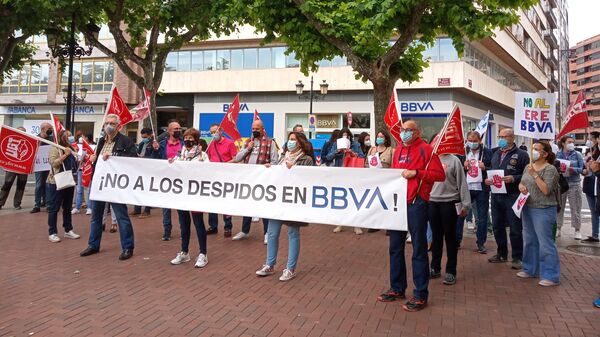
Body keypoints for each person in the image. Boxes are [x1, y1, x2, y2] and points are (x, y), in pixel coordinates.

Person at [376, 120, 445, 312]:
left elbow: (439, 175)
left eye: (408, 130)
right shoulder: (397, 151)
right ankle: (397, 288)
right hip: (398, 204)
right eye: (403, 130)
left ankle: (420, 294)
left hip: (417, 203)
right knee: (395, 247)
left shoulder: (426, 150)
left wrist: (417, 173)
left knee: (419, 249)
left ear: (417, 131)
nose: (405, 133)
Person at [255, 131, 314, 282]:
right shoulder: (282, 157)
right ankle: (270, 264)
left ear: (300, 143)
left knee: (293, 234)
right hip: (278, 200)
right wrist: (270, 168)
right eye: (289, 139)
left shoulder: (306, 159)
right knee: (272, 233)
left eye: (293, 139)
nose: (290, 142)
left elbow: (307, 178)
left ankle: (290, 268)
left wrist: (293, 170)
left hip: (294, 202)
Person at [80, 113, 137, 261]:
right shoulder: (101, 142)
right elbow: (97, 161)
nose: (109, 126)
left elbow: (134, 160)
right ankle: (93, 245)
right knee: (96, 216)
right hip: (100, 183)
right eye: (106, 123)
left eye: (112, 123)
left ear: (119, 126)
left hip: (115, 184)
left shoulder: (126, 141)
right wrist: (94, 159)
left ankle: (127, 247)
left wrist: (113, 157)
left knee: (121, 216)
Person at [518, 141, 561, 286]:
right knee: (529, 240)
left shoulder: (550, 169)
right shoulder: (528, 166)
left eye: (537, 149)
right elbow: (522, 182)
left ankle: (551, 275)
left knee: (545, 243)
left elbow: (546, 190)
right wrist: (521, 187)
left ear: (545, 154)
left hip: (543, 208)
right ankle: (530, 269)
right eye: (533, 148)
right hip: (527, 207)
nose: (533, 151)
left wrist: (535, 175)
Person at [485, 128, 528, 269]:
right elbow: (491, 169)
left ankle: (517, 257)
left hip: (512, 195)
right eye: (500, 136)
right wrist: (487, 179)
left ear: (512, 137)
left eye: (504, 136)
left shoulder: (521, 155)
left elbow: (527, 175)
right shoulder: (495, 153)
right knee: (497, 226)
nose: (501, 139)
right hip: (496, 194)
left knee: (515, 228)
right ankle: (501, 253)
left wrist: (514, 178)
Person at [429, 148, 471, 286]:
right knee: (436, 237)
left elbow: (462, 182)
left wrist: (465, 204)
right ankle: (435, 267)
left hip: (450, 202)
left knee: (450, 237)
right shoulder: (431, 158)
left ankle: (451, 271)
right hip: (433, 202)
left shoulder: (454, 160)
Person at [169, 128, 209, 268]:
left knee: (198, 223)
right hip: (182, 195)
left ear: (197, 140)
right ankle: (184, 252)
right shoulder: (179, 155)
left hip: (196, 195)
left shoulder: (203, 156)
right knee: (184, 224)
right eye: (186, 137)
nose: (188, 140)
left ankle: (203, 254)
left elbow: (209, 172)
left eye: (191, 138)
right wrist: (170, 164)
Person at [233, 120, 278, 243]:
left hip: (263, 180)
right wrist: (248, 149)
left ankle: (267, 233)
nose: (255, 131)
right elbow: (237, 158)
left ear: (262, 129)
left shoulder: (270, 142)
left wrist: (269, 165)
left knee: (263, 205)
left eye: (257, 128)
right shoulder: (248, 142)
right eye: (253, 128)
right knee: (247, 204)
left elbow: (275, 161)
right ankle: (244, 231)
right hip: (249, 179)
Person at [327, 127, 366, 234]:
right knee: (340, 199)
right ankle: (340, 223)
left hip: (353, 175)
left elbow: (362, 157)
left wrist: (353, 153)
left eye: (347, 135)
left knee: (354, 198)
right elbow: (328, 157)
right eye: (343, 135)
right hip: (340, 174)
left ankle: (356, 225)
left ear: (350, 136)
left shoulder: (356, 145)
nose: (345, 137)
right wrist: (336, 151)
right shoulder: (336, 144)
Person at [461, 131, 493, 254]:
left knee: (482, 217)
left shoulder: (487, 152)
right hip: (466, 187)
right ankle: (457, 240)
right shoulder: (462, 152)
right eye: (470, 140)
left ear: (480, 140)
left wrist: (486, 168)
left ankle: (481, 243)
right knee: (461, 214)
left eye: (475, 141)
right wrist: (463, 165)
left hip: (481, 189)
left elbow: (494, 167)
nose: (472, 143)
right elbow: (457, 168)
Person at [46, 130, 81, 243]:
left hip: (69, 180)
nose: (71, 137)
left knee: (67, 207)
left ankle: (68, 229)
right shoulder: (55, 148)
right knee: (54, 208)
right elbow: (53, 163)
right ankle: (52, 232)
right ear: (62, 137)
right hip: (56, 181)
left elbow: (75, 163)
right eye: (68, 135)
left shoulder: (72, 148)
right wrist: (65, 154)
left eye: (71, 135)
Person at [152, 120, 184, 241]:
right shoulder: (162, 144)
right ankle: (167, 231)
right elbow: (155, 160)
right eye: (175, 129)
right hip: (166, 179)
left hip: (181, 179)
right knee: (166, 207)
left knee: (182, 207)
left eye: (179, 129)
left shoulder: (184, 143)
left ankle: (183, 229)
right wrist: (155, 150)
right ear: (169, 131)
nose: (178, 131)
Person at [206, 124, 238, 237]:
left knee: (226, 202)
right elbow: (208, 159)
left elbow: (235, 159)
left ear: (221, 131)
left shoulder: (229, 143)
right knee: (212, 202)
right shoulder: (210, 145)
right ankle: (213, 226)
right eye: (211, 132)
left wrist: (223, 165)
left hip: (226, 177)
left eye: (215, 131)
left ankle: (228, 227)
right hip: (213, 178)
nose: (213, 134)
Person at [365, 129, 395, 233]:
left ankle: (389, 226)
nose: (379, 138)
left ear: (386, 139)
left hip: (387, 181)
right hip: (373, 180)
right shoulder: (372, 150)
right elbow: (366, 164)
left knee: (387, 203)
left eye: (382, 137)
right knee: (374, 203)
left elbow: (394, 166)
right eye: (378, 136)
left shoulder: (391, 150)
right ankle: (375, 224)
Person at [556, 136, 584, 240]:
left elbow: (582, 168)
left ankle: (577, 230)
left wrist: (574, 169)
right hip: (561, 184)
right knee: (559, 207)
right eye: (569, 142)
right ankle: (558, 228)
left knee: (576, 208)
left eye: (573, 142)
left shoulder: (577, 154)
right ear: (563, 143)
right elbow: (553, 167)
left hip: (574, 184)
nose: (571, 144)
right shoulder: (557, 154)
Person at [0, 127, 29, 211]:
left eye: (23, 132)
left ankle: (17, 203)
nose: (21, 133)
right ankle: (0, 202)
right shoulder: (11, 138)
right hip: (11, 167)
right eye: (19, 131)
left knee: (21, 186)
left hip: (23, 168)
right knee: (6, 185)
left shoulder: (28, 141)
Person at [131, 128, 154, 218]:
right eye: (142, 136)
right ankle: (137, 209)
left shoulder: (153, 144)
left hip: (149, 169)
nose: (143, 138)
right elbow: (137, 152)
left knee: (147, 190)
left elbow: (154, 155)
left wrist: (145, 157)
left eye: (145, 136)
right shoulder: (141, 144)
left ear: (150, 135)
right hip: (140, 168)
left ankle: (147, 210)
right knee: (138, 188)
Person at [31, 122, 53, 213]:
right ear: (43, 129)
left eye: (51, 129)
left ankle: (48, 204)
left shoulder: (52, 139)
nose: (51, 130)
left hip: (48, 165)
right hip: (39, 166)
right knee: (39, 185)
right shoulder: (35, 138)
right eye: (49, 129)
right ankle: (37, 205)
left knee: (48, 185)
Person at [582, 132, 600, 243]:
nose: (589, 141)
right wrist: (585, 170)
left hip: (598, 183)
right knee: (593, 211)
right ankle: (595, 235)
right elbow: (584, 167)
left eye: (591, 139)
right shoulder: (589, 152)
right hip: (589, 183)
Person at [71, 133, 92, 215]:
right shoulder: (79, 147)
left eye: (83, 137)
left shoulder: (92, 147)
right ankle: (77, 207)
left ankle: (89, 207)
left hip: (88, 170)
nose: (81, 138)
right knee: (79, 189)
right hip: (80, 170)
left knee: (89, 189)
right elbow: (77, 158)